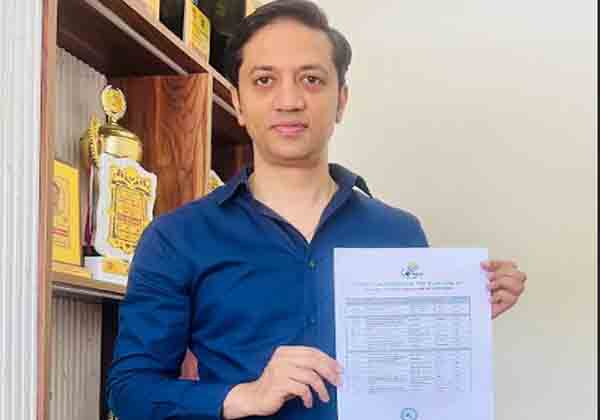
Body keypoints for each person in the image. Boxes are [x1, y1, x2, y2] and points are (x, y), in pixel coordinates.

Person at [106, 1, 527, 419]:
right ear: (238, 102)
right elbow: (130, 392)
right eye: (264, 80)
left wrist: (461, 314)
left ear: (341, 100)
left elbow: (416, 378)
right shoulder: (176, 238)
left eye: (311, 79)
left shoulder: (398, 233)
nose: (289, 100)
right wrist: (245, 395)